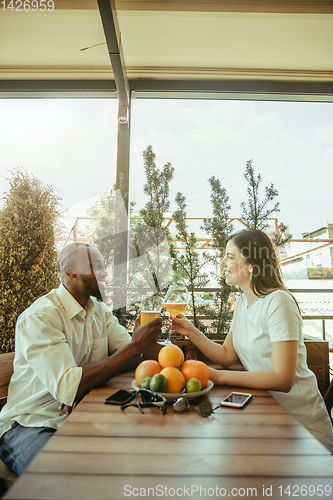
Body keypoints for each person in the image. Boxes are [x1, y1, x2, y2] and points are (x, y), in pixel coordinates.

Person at [0, 242, 162, 475]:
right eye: (96, 266)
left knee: (143, 451)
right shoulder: (41, 317)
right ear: (69, 271)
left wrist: (141, 348)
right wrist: (130, 350)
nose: (104, 272)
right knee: (65, 475)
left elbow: (133, 355)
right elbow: (71, 385)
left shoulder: (99, 311)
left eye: (103, 266)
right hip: (32, 424)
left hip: (85, 413)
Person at [173, 229, 333, 452]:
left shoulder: (279, 301)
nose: (222, 263)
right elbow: (227, 356)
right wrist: (192, 332)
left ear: (252, 265)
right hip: (268, 416)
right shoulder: (242, 302)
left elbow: (283, 379)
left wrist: (218, 376)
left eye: (230, 256)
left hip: (302, 424)